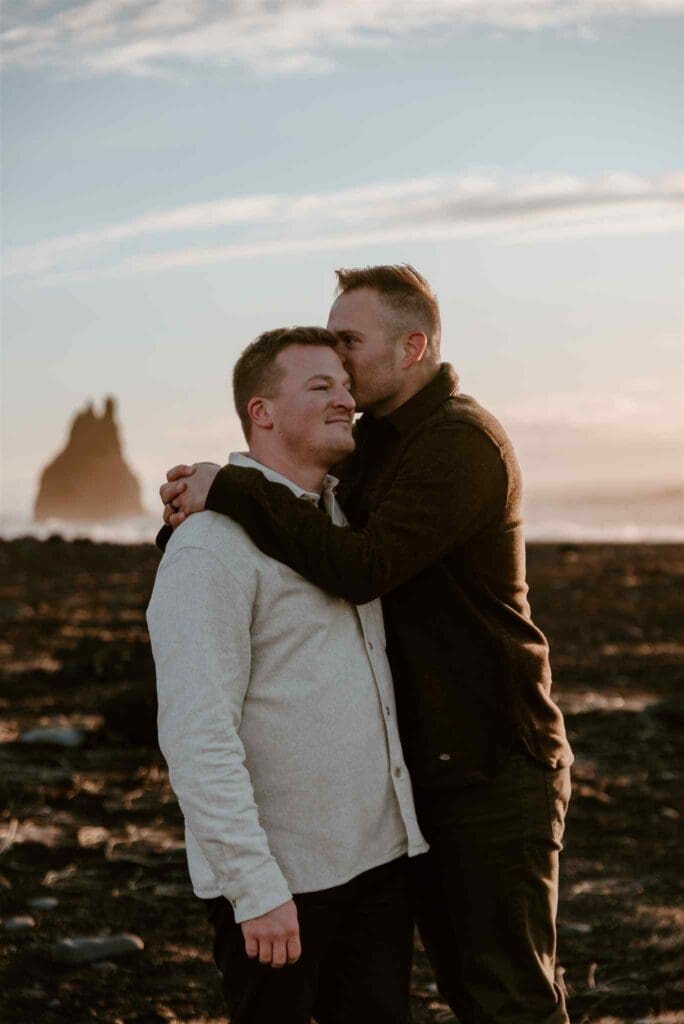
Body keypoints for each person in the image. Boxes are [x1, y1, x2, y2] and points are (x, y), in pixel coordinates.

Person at [159, 265, 574, 1024]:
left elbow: (363, 569)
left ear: (413, 345)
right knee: (466, 986)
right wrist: (202, 523)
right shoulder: (368, 449)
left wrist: (230, 489)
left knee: (508, 998)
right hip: (415, 791)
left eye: (349, 346)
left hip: (492, 766)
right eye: (324, 374)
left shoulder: (459, 443)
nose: (342, 374)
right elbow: (280, 542)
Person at [148, 326, 428, 1024]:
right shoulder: (211, 548)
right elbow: (197, 733)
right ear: (260, 412)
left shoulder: (340, 521)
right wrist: (255, 888)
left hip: (377, 865)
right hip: (285, 884)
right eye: (320, 387)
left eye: (345, 385)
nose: (347, 401)